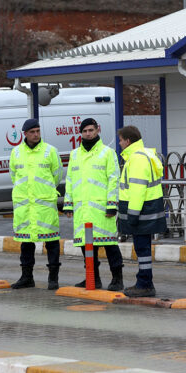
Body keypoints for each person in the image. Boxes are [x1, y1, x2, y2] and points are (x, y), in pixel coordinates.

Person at [63, 118, 123, 291]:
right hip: (82, 209)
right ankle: (92, 277)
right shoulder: (75, 154)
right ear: (81, 133)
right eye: (85, 131)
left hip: (103, 210)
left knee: (110, 245)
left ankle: (117, 279)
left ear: (98, 130)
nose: (88, 133)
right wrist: (68, 204)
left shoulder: (107, 152)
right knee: (86, 246)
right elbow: (70, 180)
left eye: (91, 130)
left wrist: (112, 204)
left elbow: (114, 179)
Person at [9, 118, 63, 290]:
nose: (36, 135)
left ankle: (53, 278)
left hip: (44, 207)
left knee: (52, 243)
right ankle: (27, 277)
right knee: (26, 245)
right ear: (25, 134)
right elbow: (14, 176)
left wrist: (43, 192)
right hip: (25, 207)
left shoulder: (50, 151)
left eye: (38, 131)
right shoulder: (16, 153)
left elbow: (57, 175)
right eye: (32, 132)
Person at [117, 125, 166, 298]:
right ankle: (145, 282)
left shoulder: (136, 159)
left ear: (128, 141)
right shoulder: (143, 155)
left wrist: (132, 214)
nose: (120, 143)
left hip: (141, 211)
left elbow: (138, 189)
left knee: (142, 248)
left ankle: (145, 284)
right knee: (143, 248)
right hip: (147, 210)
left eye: (121, 140)